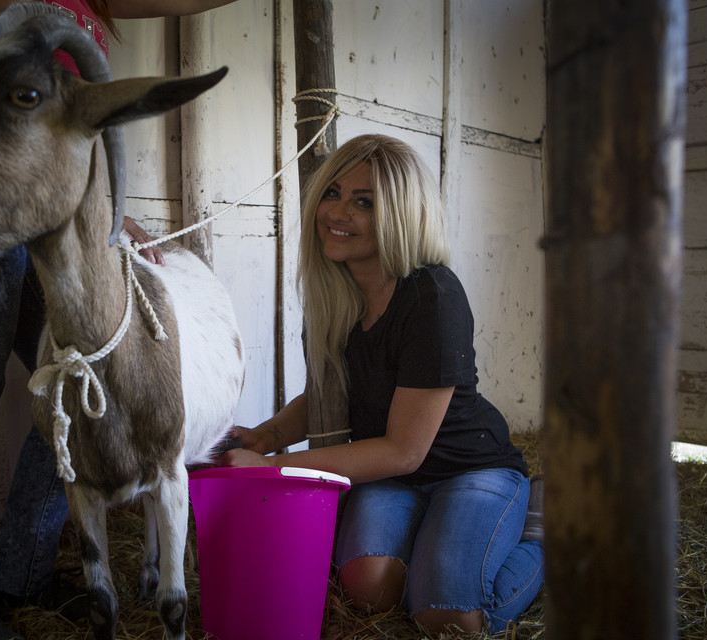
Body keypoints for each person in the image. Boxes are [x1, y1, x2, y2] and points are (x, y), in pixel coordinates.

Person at [0, 1, 234, 638]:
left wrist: (101, 213)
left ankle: (24, 572)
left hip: (54, 214)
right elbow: (6, 86)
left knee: (79, 394)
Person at [219, 134, 544, 636]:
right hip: (391, 477)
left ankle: (542, 538)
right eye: (333, 193)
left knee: (449, 619)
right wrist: (268, 435)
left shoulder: (432, 294)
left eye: (363, 202)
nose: (338, 211)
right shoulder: (335, 292)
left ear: (401, 214)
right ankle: (436, 542)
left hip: (468, 468)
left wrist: (272, 468)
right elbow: (331, 395)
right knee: (368, 590)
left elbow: (402, 451)